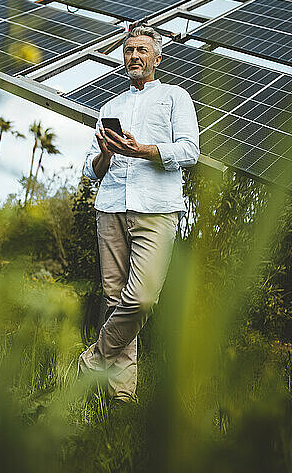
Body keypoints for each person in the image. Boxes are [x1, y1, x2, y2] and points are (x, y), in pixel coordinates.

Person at [78, 24, 200, 404]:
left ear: (157, 57)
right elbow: (88, 168)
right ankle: (122, 395)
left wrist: (142, 149)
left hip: (156, 208)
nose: (134, 56)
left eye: (142, 50)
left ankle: (91, 362)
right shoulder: (109, 107)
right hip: (110, 207)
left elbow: (189, 151)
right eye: (129, 49)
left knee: (142, 298)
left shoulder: (175, 97)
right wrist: (109, 153)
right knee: (114, 299)